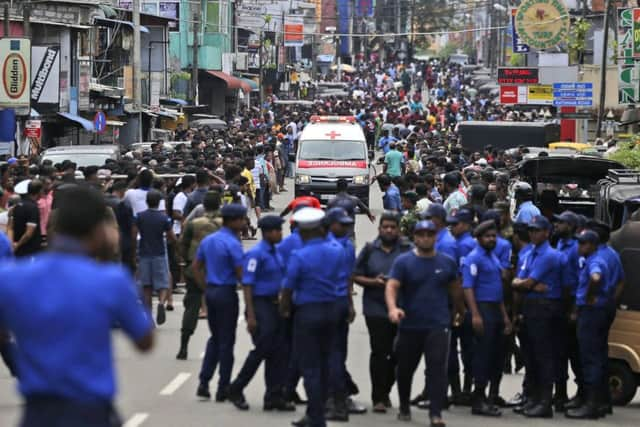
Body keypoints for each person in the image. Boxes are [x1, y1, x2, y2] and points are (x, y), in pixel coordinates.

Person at [0, 185, 153, 427]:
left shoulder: (12, 278)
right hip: (90, 411)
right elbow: (145, 341)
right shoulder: (111, 280)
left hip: (37, 411)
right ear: (98, 229)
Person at [386, 220, 464, 427]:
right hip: (410, 324)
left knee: (437, 369)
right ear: (415, 237)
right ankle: (404, 406)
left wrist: (460, 312)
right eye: (421, 234)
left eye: (430, 234)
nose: (426, 238)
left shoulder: (446, 263)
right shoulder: (403, 262)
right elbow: (392, 286)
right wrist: (393, 308)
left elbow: (456, 290)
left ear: (435, 236)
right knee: (405, 369)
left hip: (438, 325)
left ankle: (435, 413)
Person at [280, 207, 347, 427]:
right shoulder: (337, 250)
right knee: (327, 361)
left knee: (310, 366)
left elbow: (288, 288)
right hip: (332, 310)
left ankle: (316, 416)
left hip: (308, 312)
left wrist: (285, 310)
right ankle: (317, 410)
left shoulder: (300, 255)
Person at [226, 215, 294, 412]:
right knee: (263, 347)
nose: (281, 233)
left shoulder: (277, 253)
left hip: (276, 305)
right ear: (268, 233)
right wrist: (251, 315)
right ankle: (237, 387)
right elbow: (247, 284)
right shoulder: (256, 254)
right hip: (260, 304)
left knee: (279, 352)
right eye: (278, 230)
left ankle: (273, 395)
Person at [353, 211, 412, 413]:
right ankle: (378, 397)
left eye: (392, 227)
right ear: (379, 229)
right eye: (385, 226)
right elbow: (355, 275)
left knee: (399, 353)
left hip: (401, 308)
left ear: (398, 229)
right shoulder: (370, 250)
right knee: (380, 352)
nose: (388, 230)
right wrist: (374, 282)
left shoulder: (407, 250)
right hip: (375, 308)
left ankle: (386, 389)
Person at [511, 215, 565, 418]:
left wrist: (522, 283)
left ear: (547, 232)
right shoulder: (529, 253)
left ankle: (545, 402)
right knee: (532, 356)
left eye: (537, 230)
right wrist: (521, 283)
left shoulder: (549, 255)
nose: (533, 233)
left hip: (546, 307)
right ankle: (533, 398)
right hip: (531, 305)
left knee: (544, 356)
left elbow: (526, 283)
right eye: (531, 230)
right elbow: (521, 281)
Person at [194, 203, 246, 402]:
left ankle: (204, 381)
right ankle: (223, 386)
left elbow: (196, 266)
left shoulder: (209, 240)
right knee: (227, 342)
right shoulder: (232, 243)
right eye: (241, 219)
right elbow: (241, 274)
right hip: (226, 293)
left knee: (215, 338)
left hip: (212, 292)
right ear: (233, 221)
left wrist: (205, 287)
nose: (243, 223)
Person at [461, 220, 512, 417]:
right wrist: (474, 314)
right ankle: (479, 399)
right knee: (482, 355)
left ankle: (488, 398)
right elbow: (468, 288)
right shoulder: (474, 258)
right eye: (487, 236)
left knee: (494, 355)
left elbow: (497, 289)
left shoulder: (493, 257)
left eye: (494, 236)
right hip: (482, 309)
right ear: (479, 238)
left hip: (495, 309)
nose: (491, 239)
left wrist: (505, 317)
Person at [565, 229, 611, 419]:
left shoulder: (596, 261)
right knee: (596, 357)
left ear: (592, 245)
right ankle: (596, 401)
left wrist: (591, 295)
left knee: (589, 358)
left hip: (592, 314)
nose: (579, 247)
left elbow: (595, 277)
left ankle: (591, 405)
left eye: (583, 243)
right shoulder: (593, 259)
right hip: (595, 312)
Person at [176, 191, 223, 360]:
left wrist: (186, 262)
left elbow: (182, 244)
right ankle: (220, 345)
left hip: (194, 269)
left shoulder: (194, 223)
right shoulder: (225, 222)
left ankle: (184, 345)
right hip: (219, 271)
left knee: (191, 306)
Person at [324, 208, 356, 422]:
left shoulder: (342, 246)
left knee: (333, 354)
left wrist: (350, 304)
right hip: (331, 303)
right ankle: (339, 394)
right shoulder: (335, 246)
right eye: (341, 224)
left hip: (334, 303)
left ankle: (337, 398)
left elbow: (349, 279)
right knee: (333, 354)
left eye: (347, 224)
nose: (346, 227)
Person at [133, 190, 176, 325]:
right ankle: (162, 302)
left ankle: (149, 318)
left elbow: (134, 234)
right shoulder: (163, 218)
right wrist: (176, 245)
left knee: (146, 286)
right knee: (162, 283)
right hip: (159, 252)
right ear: (159, 203)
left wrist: (135, 251)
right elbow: (171, 236)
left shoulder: (140, 217)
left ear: (147, 202)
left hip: (144, 252)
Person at [12, 180, 43, 258]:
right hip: (29, 250)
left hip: (17, 248)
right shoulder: (33, 208)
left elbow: (10, 227)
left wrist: (13, 244)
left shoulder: (17, 205)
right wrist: (18, 245)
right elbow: (29, 233)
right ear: (39, 191)